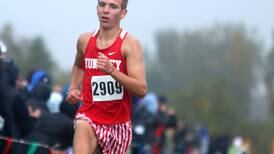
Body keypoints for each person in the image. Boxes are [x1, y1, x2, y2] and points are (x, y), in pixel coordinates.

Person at [66, 0, 147, 153]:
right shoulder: (85, 41)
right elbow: (78, 64)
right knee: (82, 125)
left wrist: (113, 71)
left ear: (123, 13)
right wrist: (72, 87)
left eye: (113, 6)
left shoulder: (130, 44)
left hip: (118, 125)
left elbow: (141, 89)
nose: (106, 10)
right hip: (89, 117)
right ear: (97, 8)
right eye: (102, 5)